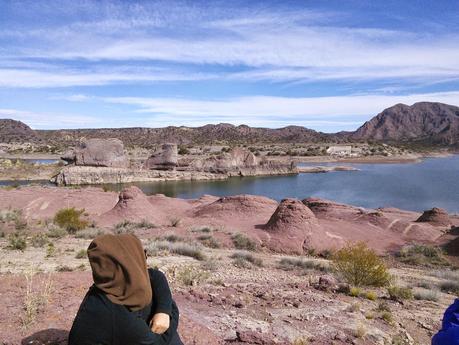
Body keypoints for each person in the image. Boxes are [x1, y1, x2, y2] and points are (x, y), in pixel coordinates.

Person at [68, 233, 184, 345]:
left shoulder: (114, 284)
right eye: (142, 255)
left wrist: (162, 309)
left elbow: (155, 275)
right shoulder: (115, 314)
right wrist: (170, 312)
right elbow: (158, 342)